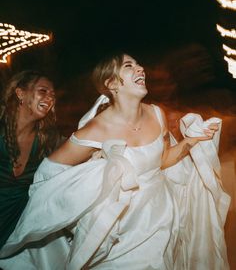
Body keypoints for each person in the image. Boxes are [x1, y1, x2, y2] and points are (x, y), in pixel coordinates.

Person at [0, 54, 230, 270]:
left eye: (138, 64)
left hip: (162, 219)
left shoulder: (157, 114)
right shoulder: (98, 128)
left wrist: (191, 141)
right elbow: (49, 170)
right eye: (128, 66)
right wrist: (76, 198)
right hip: (120, 227)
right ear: (112, 84)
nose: (140, 68)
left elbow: (162, 161)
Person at [0, 70, 63, 249]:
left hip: (16, 228)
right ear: (20, 93)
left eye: (52, 95)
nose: (49, 98)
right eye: (43, 91)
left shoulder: (48, 140)